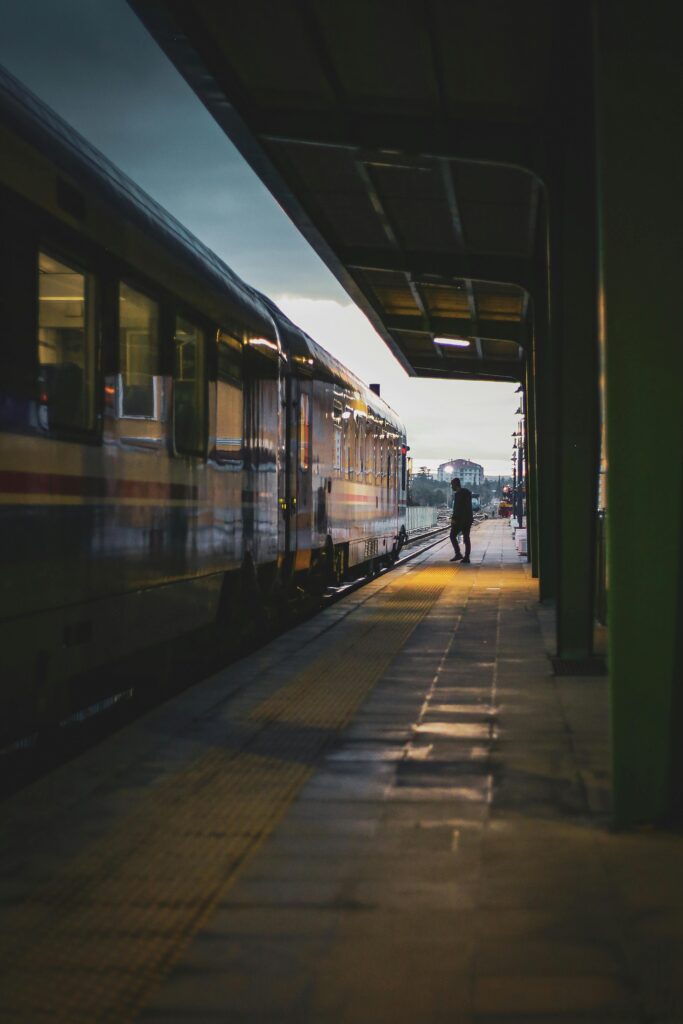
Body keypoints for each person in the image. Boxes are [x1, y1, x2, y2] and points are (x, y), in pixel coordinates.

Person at [450, 477, 473, 564]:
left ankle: (458, 553)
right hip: (468, 518)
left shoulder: (458, 494)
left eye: (452, 485)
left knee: (452, 535)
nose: (451, 487)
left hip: (460, 520)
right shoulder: (467, 493)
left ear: (456, 485)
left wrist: (454, 519)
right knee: (466, 538)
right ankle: (467, 557)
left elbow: (457, 508)